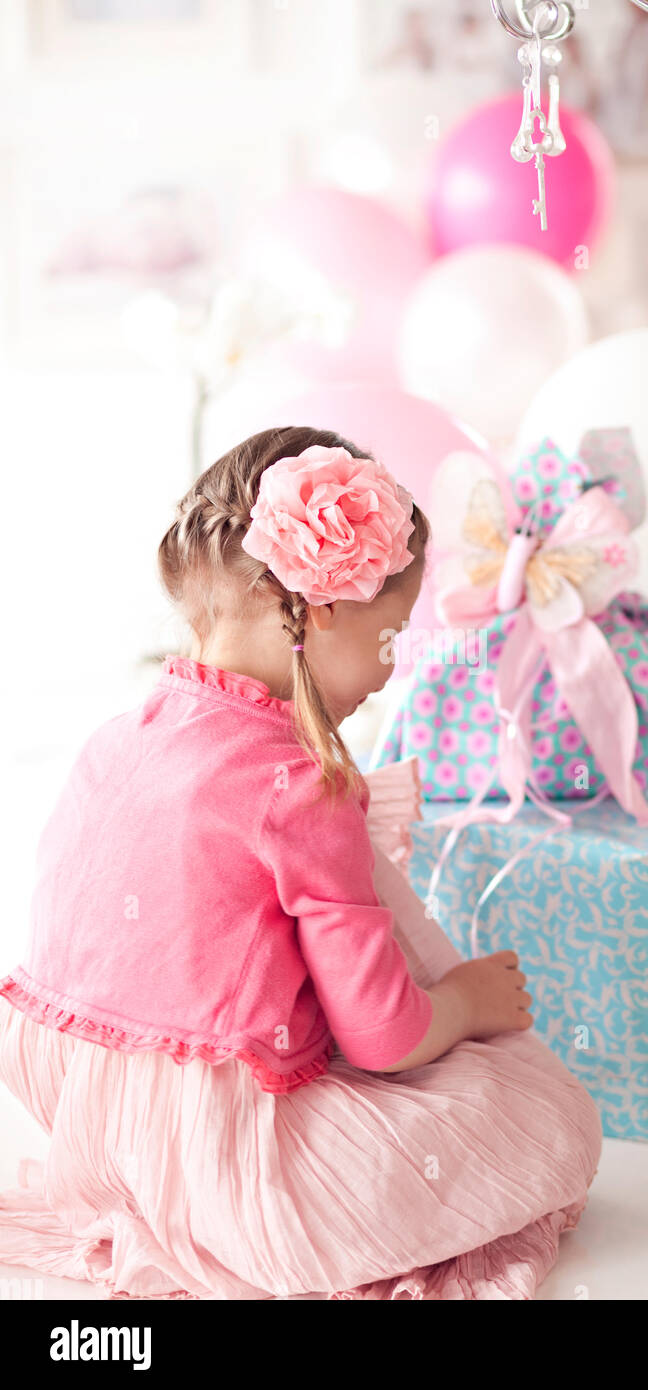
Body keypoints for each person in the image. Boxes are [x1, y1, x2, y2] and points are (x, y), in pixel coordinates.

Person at [0, 426, 602, 1300]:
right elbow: (387, 1038)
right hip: (230, 1159)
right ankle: (252, 1212)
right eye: (392, 634)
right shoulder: (299, 789)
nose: (394, 671)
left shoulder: (115, 739)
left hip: (90, 1121)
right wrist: (466, 1003)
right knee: (547, 1119)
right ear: (322, 611)